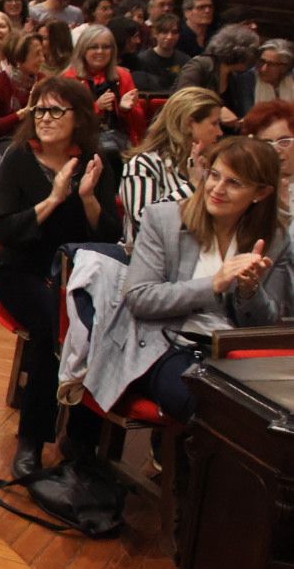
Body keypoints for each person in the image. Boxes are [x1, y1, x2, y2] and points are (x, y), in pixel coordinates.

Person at [89, 138, 292, 422]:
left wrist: (250, 290)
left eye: (234, 183)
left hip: (230, 354)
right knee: (214, 412)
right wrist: (214, 284)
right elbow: (139, 298)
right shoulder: (165, 220)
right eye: (214, 175)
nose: (217, 189)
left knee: (274, 417)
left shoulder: (275, 239)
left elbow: (267, 329)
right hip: (162, 344)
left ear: (261, 193)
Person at [0, 77, 123, 478]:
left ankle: (81, 437)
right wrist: (53, 199)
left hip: (77, 275)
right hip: (22, 272)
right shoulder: (16, 158)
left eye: (55, 111)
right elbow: (6, 233)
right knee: (56, 326)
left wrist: (86, 198)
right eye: (40, 110)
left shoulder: (99, 161)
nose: (45, 119)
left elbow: (109, 237)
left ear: (79, 117)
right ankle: (32, 439)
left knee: (105, 324)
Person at [119, 87, 224, 244]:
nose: (219, 132)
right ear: (190, 124)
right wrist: (192, 186)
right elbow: (143, 221)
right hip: (150, 261)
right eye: (214, 124)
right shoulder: (143, 164)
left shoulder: (212, 164)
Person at [63, 25, 147, 149]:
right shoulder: (69, 79)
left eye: (106, 47)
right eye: (94, 47)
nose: (100, 52)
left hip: (120, 141)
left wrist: (125, 110)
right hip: (82, 142)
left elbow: (139, 125)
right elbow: (66, 120)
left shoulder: (123, 76)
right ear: (83, 50)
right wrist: (97, 107)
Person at [0, 31, 46, 165]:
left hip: (33, 140)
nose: (42, 59)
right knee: (20, 157)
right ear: (18, 60)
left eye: (42, 53)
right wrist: (23, 113)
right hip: (0, 142)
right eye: (37, 54)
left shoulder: (43, 80)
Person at [175, 24, 261, 127]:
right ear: (241, 54)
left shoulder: (235, 76)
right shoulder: (199, 66)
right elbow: (183, 99)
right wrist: (217, 110)